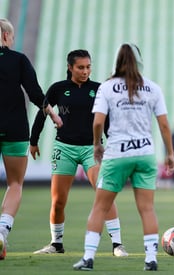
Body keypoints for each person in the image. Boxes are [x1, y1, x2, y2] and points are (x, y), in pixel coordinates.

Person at [73, 43, 174, 271]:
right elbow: (165, 125)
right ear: (139, 62)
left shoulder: (107, 87)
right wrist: (169, 153)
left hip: (117, 154)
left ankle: (88, 257)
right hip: (145, 154)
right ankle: (151, 259)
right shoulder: (152, 87)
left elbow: (98, 122)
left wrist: (97, 144)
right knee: (147, 209)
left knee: (100, 206)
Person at [30, 49, 128, 257]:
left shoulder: (99, 89)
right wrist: (33, 141)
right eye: (80, 67)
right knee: (58, 200)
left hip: (92, 149)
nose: (85, 71)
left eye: (88, 67)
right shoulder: (58, 88)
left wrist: (114, 144)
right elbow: (43, 111)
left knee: (105, 193)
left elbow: (108, 120)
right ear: (70, 68)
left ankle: (117, 245)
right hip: (63, 148)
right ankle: (56, 244)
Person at [0, 18, 61, 260]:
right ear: (6, 36)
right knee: (15, 184)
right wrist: (53, 115)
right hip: (15, 128)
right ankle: (2, 232)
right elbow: (36, 93)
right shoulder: (19, 59)